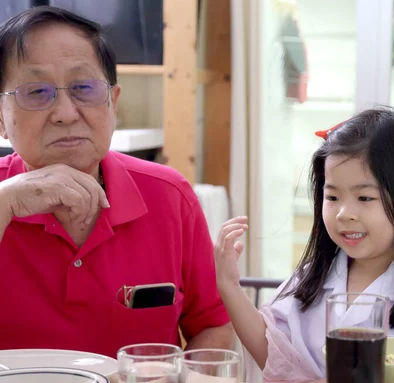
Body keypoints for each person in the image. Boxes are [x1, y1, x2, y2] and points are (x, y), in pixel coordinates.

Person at [0, 6, 233, 358]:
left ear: (113, 103)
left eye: (83, 88)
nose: (65, 113)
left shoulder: (170, 196)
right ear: (1, 120)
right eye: (36, 92)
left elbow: (213, 326)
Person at [214, 108, 394, 383]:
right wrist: (228, 285)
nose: (344, 213)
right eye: (332, 196)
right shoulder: (309, 278)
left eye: (365, 198)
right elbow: (272, 355)